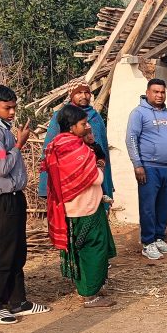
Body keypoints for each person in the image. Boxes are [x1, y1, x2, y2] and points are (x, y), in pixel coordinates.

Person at [0, 85, 50, 325]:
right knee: (4, 250)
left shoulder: (2, 129)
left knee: (18, 249)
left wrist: (16, 143)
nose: (12, 112)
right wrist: (19, 145)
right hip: (2, 197)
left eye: (14, 107)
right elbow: (2, 167)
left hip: (14, 195)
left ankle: (18, 300)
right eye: (7, 108)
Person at [44, 104, 117, 308]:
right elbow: (95, 178)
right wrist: (99, 167)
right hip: (85, 208)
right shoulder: (77, 149)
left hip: (70, 208)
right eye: (83, 124)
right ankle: (90, 295)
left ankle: (87, 288)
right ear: (71, 126)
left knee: (80, 249)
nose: (86, 128)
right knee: (93, 250)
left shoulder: (55, 145)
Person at [126, 78, 167, 260]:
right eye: (156, 92)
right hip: (149, 167)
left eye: (162, 92)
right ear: (148, 92)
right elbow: (131, 139)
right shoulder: (138, 113)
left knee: (163, 206)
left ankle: (159, 238)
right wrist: (137, 165)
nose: (159, 95)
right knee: (148, 207)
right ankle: (148, 243)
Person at [39, 80, 113, 200]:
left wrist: (107, 181)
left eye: (87, 92)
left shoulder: (96, 117)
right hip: (71, 174)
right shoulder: (61, 116)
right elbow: (49, 149)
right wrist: (45, 185)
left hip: (96, 172)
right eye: (79, 93)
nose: (84, 96)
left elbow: (103, 150)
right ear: (71, 95)